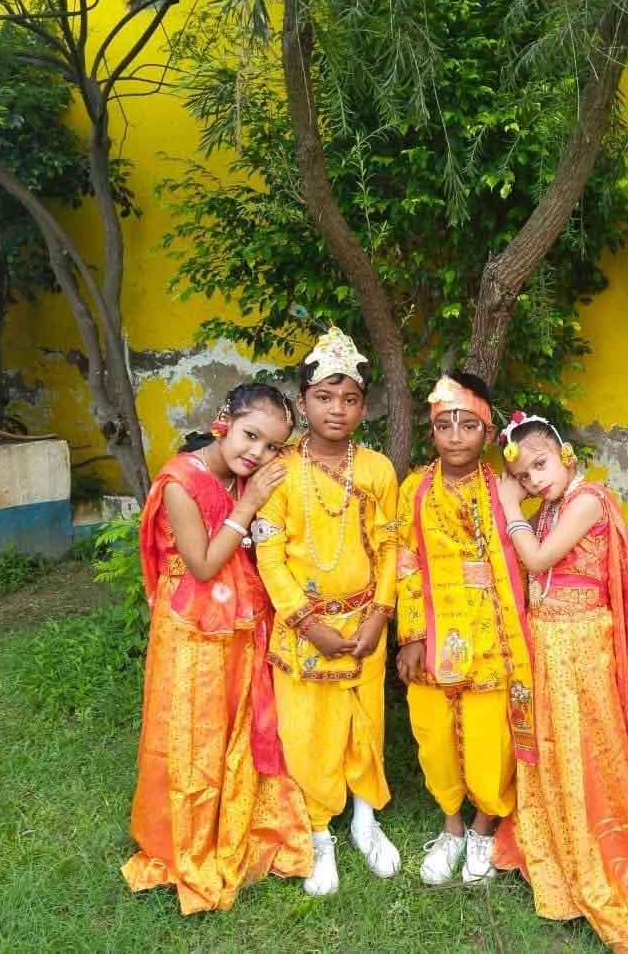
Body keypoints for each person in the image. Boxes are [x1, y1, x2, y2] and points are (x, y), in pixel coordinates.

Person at [493, 411, 628, 953]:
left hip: (581, 644)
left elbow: (537, 559)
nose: (534, 480)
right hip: (547, 643)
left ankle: (600, 851)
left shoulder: (586, 502)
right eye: (523, 476)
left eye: (540, 465)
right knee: (551, 745)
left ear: (565, 455)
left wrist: (510, 505)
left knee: (588, 748)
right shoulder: (552, 507)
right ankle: (554, 843)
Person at [122, 382, 312, 914]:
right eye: (250, 435)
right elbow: (204, 565)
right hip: (192, 629)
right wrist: (248, 504)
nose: (257, 452)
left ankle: (238, 820)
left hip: (239, 623)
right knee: (194, 731)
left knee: (238, 722)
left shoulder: (240, 474)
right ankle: (190, 838)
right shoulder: (181, 481)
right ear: (224, 418)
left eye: (272, 446)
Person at [256, 327, 401, 896]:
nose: (336, 409)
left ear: (364, 407)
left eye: (349, 398)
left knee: (366, 721)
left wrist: (380, 614)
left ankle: (365, 818)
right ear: (302, 402)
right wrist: (307, 623)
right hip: (303, 630)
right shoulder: (280, 472)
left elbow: (390, 546)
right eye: (323, 396)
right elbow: (269, 553)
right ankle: (317, 833)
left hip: (365, 622)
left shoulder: (377, 470)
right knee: (306, 729)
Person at [394, 373, 535, 886]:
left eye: (468, 425)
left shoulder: (506, 488)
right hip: (434, 634)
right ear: (431, 431)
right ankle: (451, 826)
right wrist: (411, 636)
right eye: (444, 425)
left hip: (492, 635)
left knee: (488, 737)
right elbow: (405, 562)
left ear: (488, 431)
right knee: (433, 734)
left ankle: (483, 825)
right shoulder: (414, 489)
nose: (455, 436)